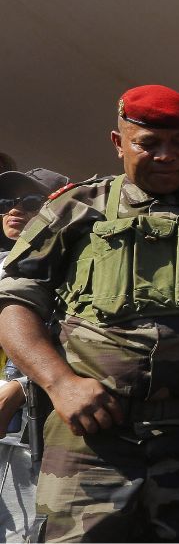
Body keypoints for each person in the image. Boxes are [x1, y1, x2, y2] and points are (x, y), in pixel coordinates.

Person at [0, 84, 179, 541]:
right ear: (119, 144)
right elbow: (15, 303)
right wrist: (60, 383)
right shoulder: (75, 209)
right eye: (148, 143)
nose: (167, 155)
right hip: (91, 439)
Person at [0, 167, 69, 542]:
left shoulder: (69, 267)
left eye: (30, 202)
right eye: (6, 202)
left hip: (34, 430)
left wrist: (20, 386)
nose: (14, 211)